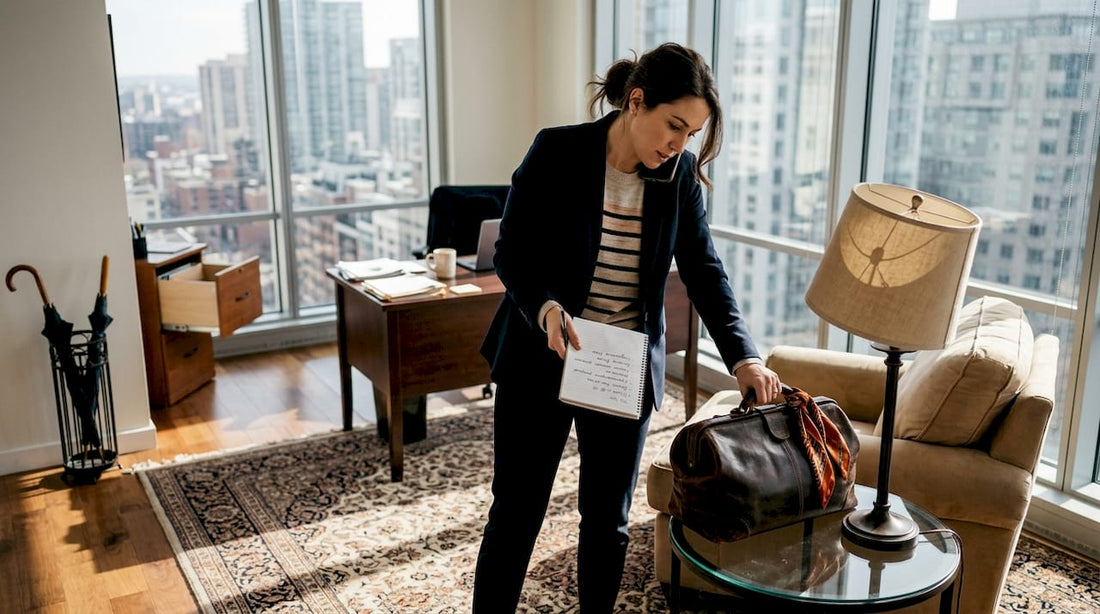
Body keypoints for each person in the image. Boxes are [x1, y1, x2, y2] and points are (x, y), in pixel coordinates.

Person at [472, 42, 782, 613]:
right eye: (673, 125)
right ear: (635, 102)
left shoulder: (679, 174)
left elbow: (704, 269)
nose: (678, 144)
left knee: (606, 522)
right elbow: (512, 251)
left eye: (690, 133)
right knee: (517, 513)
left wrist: (744, 356)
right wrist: (543, 308)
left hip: (619, 365)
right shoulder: (558, 150)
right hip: (542, 355)